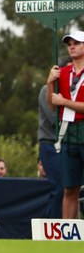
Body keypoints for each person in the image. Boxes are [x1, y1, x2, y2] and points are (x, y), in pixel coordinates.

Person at [46, 30, 84, 220]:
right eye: (69, 43)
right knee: (69, 187)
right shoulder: (63, 72)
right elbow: (52, 104)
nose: (71, 46)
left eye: (76, 43)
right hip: (68, 132)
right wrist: (50, 83)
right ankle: (67, 233)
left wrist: (65, 102)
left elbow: (62, 103)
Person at [39, 59, 67, 217]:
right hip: (50, 144)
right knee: (59, 187)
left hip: (67, 145)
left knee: (71, 188)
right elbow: (55, 119)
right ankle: (53, 225)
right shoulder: (46, 90)